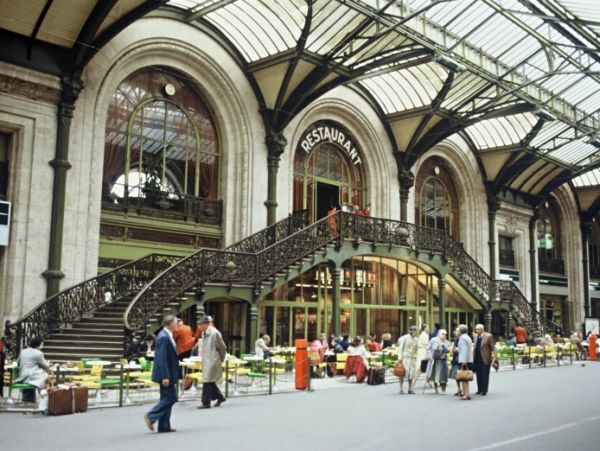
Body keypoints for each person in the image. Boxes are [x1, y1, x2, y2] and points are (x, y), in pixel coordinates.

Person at [144, 315, 180, 433]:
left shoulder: (167, 335)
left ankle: (164, 426)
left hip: (169, 373)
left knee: (166, 398)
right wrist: (165, 376)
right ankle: (151, 416)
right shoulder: (164, 337)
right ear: (169, 324)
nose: (177, 324)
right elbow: (161, 358)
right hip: (166, 374)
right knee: (171, 397)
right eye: (176, 322)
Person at [197, 316, 227, 409]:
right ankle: (220, 397)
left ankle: (206, 403)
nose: (198, 326)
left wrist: (221, 358)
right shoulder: (203, 332)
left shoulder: (215, 333)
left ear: (206, 324)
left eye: (200, 324)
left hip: (213, 360)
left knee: (207, 381)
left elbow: (222, 347)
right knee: (208, 380)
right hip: (207, 359)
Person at [15, 337, 50, 403]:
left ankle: (31, 397)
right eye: (42, 344)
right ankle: (43, 396)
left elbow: (18, 363)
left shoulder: (23, 351)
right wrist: (48, 363)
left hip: (22, 375)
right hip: (30, 375)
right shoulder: (39, 353)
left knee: (42, 375)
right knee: (45, 376)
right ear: (38, 345)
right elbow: (46, 366)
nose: (42, 346)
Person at [472, 323, 497, 396]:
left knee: (485, 375)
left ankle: (484, 390)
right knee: (478, 375)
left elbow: (493, 347)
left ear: (482, 329)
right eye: (476, 329)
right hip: (476, 358)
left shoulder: (488, 336)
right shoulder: (475, 336)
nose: (477, 331)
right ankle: (479, 389)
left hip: (485, 358)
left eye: (478, 329)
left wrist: (494, 358)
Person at [426, 329, 450, 394]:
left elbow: (448, 350)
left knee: (443, 376)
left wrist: (443, 346)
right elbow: (428, 348)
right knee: (434, 375)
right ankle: (436, 389)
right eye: (443, 334)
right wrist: (429, 356)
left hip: (443, 360)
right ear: (439, 334)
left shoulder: (446, 342)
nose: (444, 335)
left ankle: (443, 389)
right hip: (434, 360)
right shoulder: (433, 340)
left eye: (445, 334)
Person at [397, 326, 418, 394]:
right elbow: (401, 348)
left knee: (411, 374)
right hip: (405, 358)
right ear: (412, 331)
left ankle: (410, 388)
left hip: (413, 358)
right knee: (402, 373)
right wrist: (400, 358)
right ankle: (401, 388)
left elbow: (417, 349)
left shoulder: (416, 339)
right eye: (415, 331)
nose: (416, 333)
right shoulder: (405, 338)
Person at [457, 324, 473, 400]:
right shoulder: (467, 337)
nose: (457, 331)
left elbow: (464, 350)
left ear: (460, 331)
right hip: (468, 359)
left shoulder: (462, 338)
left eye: (457, 330)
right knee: (465, 377)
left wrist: (464, 361)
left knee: (464, 377)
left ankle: (466, 394)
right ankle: (466, 393)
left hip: (464, 360)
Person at [449, 328, 461, 396]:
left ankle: (462, 390)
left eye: (456, 331)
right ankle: (459, 389)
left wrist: (455, 349)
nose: (454, 332)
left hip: (460, 359)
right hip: (456, 358)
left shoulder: (461, 338)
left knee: (462, 375)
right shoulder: (456, 339)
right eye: (454, 331)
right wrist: (453, 350)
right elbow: (454, 349)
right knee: (456, 375)